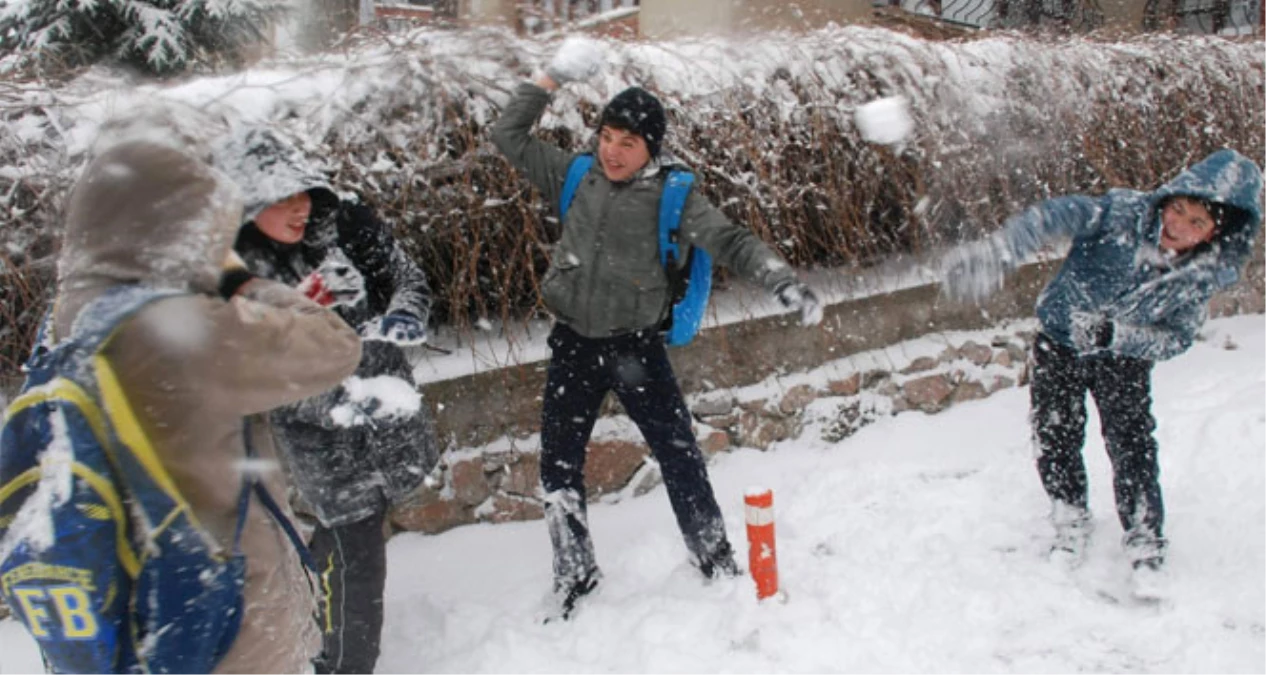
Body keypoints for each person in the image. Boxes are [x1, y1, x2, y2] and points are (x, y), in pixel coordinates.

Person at [491, 37, 824, 620]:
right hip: (573, 344)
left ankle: (713, 556)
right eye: (607, 138)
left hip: (636, 348)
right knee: (559, 467)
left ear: (651, 148)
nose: (613, 153)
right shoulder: (575, 176)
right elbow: (508, 135)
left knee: (679, 455)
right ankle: (575, 574)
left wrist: (782, 281)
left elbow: (732, 240)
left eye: (629, 143)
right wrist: (550, 79)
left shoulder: (674, 196)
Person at [52, 106, 362, 673]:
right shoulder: (180, 326)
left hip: (120, 612)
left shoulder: (69, 323)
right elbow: (335, 344)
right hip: (223, 619)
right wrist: (238, 280)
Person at [941, 148, 1262, 595]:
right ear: (1168, 199)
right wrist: (1003, 250)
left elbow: (1176, 339)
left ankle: (1145, 539)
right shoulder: (1122, 214)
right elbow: (1058, 214)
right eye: (1178, 209)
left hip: (1123, 361)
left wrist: (1117, 336)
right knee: (1056, 434)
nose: (1178, 226)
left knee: (1132, 447)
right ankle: (1069, 519)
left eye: (1196, 224)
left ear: (1214, 234)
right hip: (1061, 342)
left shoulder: (1199, 278)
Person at [213, 127, 438, 675]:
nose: (298, 209)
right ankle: (343, 664)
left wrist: (407, 312)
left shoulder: (344, 225)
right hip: (321, 436)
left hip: (385, 411)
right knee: (359, 547)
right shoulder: (232, 275)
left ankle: (311, 623)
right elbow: (256, 374)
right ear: (247, 203)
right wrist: (339, 403)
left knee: (351, 535)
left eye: (303, 194)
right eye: (281, 198)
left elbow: (408, 276)